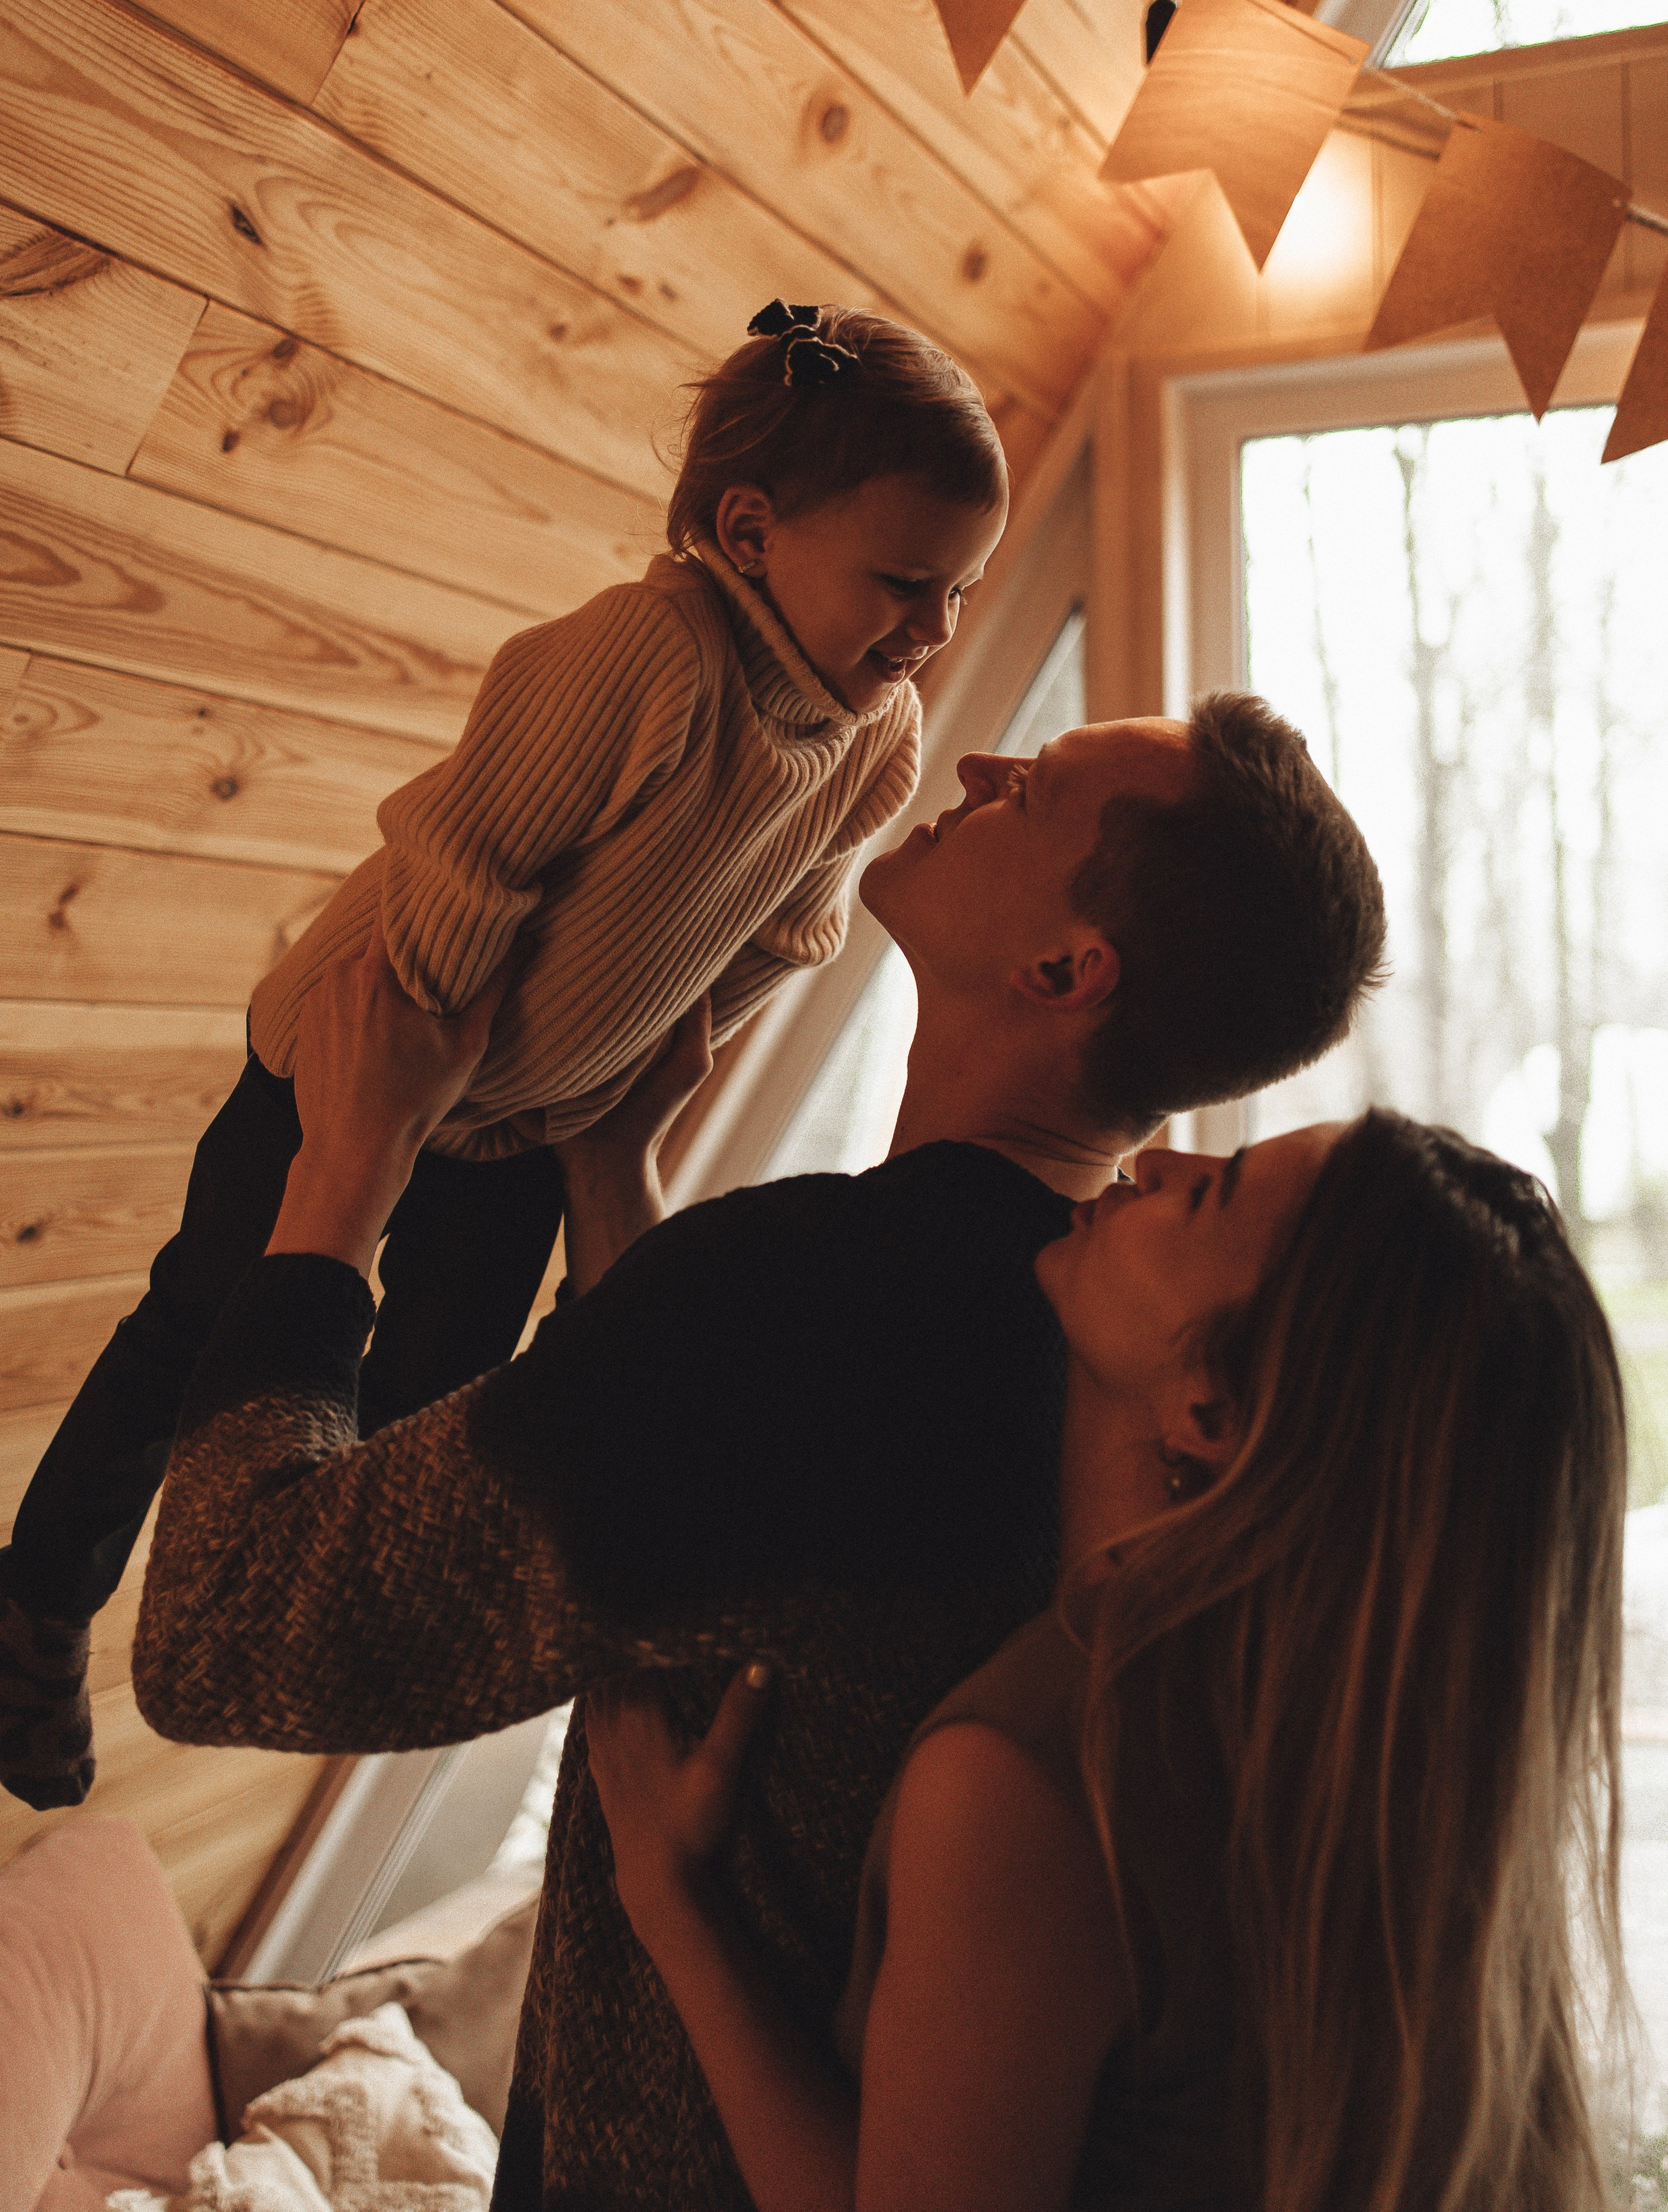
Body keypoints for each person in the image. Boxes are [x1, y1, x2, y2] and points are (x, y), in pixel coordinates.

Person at [127, 693, 1387, 2211]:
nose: (983, 764)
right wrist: (616, 1185)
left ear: (1066, 969)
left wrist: (342, 1176)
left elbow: (226, 1632)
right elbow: (750, 1505)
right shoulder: (1083, 1332)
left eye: (1033, 789)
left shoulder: (812, 1302)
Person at [0, 299, 1007, 1811]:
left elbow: (786, 934)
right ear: (748, 530)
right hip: (369, 1054)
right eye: (905, 585)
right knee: (199, 1330)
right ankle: (37, 1602)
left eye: (960, 593)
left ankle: (298, 1600)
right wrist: (405, 1095)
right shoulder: (645, 656)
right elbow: (466, 853)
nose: (931, 630)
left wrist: (631, 1076)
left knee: (438, 1400)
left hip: (529, 1124)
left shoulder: (872, 740)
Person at [587, 1112, 1630, 2212]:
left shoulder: (1034, 1783)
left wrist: (675, 1906)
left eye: (1208, 1193)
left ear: (1209, 1410)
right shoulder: (1371, 1777)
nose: (1156, 1161)